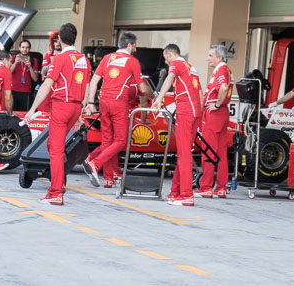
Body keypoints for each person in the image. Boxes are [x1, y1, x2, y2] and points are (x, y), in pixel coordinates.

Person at [24, 23, 90, 205]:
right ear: (75, 38)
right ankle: (59, 182)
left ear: (59, 39)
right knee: (53, 146)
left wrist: (32, 110)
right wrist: (79, 115)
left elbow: (46, 85)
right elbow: (85, 87)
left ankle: (55, 192)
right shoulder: (84, 59)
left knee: (55, 150)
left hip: (62, 106)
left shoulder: (60, 59)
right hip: (76, 106)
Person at [82, 32, 150, 188]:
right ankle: (94, 163)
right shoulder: (133, 61)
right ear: (129, 45)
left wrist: (91, 102)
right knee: (120, 141)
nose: (136, 48)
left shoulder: (106, 58)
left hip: (103, 102)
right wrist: (153, 93)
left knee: (108, 142)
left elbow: (94, 80)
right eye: (135, 45)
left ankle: (108, 177)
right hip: (119, 103)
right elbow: (142, 89)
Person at [153, 44, 204, 206]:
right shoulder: (191, 67)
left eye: (165, 58)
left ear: (169, 54)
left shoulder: (177, 64)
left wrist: (159, 98)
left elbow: (169, 78)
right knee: (184, 153)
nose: (166, 63)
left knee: (184, 155)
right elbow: (201, 94)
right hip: (195, 112)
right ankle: (175, 192)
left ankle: (187, 195)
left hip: (186, 112)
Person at [195, 45, 233, 199]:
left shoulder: (222, 70)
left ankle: (205, 187)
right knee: (221, 152)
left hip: (215, 114)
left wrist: (217, 104)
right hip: (221, 114)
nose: (207, 58)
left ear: (220, 58)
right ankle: (221, 187)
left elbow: (223, 87)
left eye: (210, 55)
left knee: (209, 151)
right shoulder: (224, 70)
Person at [10, 39, 40, 111]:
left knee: (23, 114)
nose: (25, 49)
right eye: (23, 47)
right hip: (13, 90)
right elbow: (8, 73)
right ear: (19, 48)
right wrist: (15, 63)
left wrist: (30, 67)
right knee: (12, 113)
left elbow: (35, 78)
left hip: (26, 92)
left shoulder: (33, 60)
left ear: (29, 49)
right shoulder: (13, 58)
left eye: (27, 47)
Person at [38, 30, 61, 114]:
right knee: (43, 111)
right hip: (48, 88)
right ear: (52, 43)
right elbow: (44, 71)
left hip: (61, 89)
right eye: (55, 41)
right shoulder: (49, 54)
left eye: (59, 41)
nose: (57, 43)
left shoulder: (68, 55)